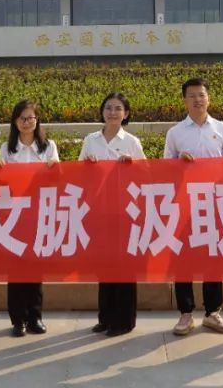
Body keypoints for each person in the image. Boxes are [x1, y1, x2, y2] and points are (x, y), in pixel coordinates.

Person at [164, 77, 223, 336]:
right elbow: (165, 168)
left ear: (209, 98)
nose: (197, 100)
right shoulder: (175, 133)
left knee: (213, 258)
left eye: (201, 95)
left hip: (214, 203)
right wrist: (179, 164)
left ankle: (213, 312)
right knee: (183, 259)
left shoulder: (222, 129)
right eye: (192, 95)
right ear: (184, 100)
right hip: (185, 204)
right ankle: (186, 313)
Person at [80, 92, 145, 337]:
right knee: (104, 265)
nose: (113, 112)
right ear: (102, 111)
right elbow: (78, 172)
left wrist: (132, 166)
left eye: (118, 108)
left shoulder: (132, 142)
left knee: (125, 265)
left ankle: (124, 320)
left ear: (126, 114)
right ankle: (105, 317)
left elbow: (146, 175)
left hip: (125, 211)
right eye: (108, 108)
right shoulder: (91, 140)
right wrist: (87, 164)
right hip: (99, 210)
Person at [0, 99, 59, 337]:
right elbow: (1, 182)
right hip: (15, 216)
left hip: (39, 214)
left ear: (37, 120)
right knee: (15, 270)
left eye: (31, 118)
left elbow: (58, 178)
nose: (26, 122)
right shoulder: (7, 149)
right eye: (22, 118)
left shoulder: (48, 147)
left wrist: (55, 167)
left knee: (35, 268)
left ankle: (35, 317)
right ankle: (18, 320)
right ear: (15, 122)